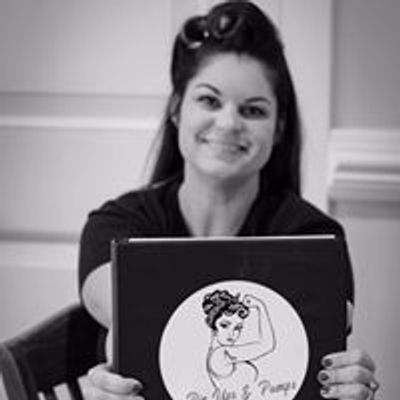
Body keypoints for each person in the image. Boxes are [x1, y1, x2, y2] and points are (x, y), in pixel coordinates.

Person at [79, 1, 379, 399]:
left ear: (278, 128)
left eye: (253, 110)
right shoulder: (116, 228)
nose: (228, 123)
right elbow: (133, 323)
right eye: (209, 100)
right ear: (176, 109)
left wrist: (347, 387)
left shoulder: (314, 239)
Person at [203, 290, 276, 397]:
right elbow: (267, 345)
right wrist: (260, 307)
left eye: (237, 328)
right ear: (213, 325)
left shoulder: (216, 352)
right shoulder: (221, 354)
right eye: (224, 325)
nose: (232, 334)